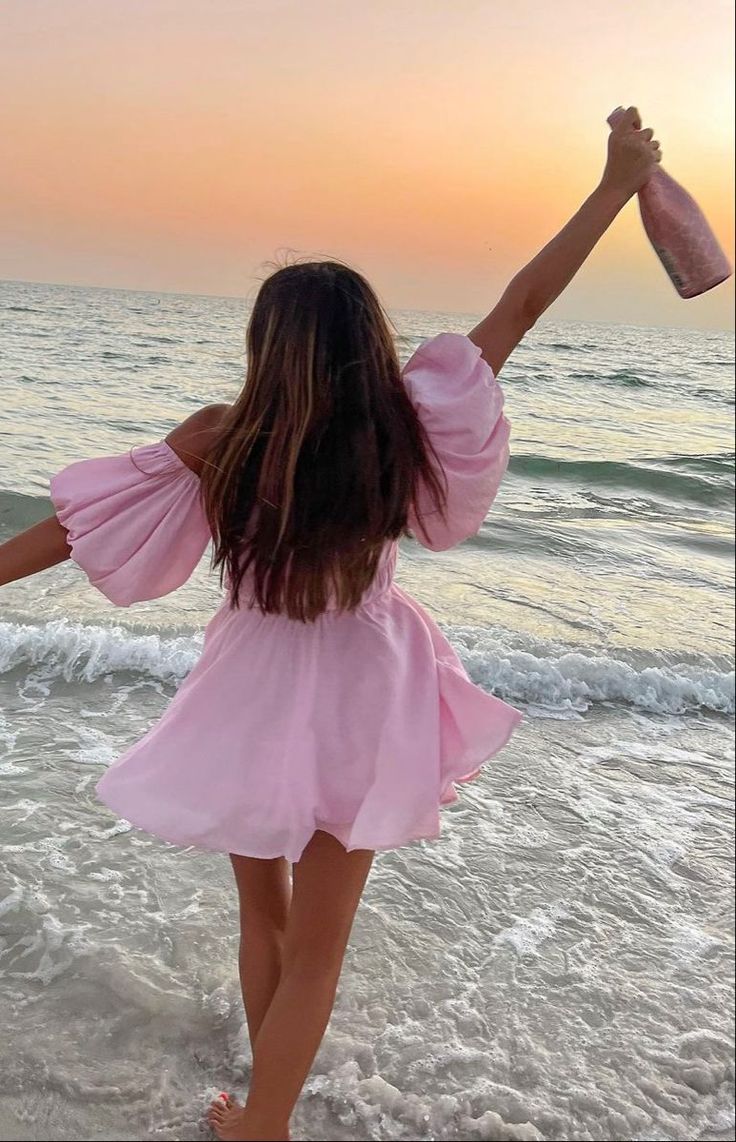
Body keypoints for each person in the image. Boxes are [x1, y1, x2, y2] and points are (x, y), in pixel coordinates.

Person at [0, 107, 660, 1142]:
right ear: (371, 343)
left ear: (267, 345)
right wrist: (617, 185)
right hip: (367, 682)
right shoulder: (404, 427)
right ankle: (264, 1113)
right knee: (320, 941)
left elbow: (73, 528)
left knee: (259, 913)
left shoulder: (222, 437)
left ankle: (261, 1113)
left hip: (250, 684)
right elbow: (521, 304)